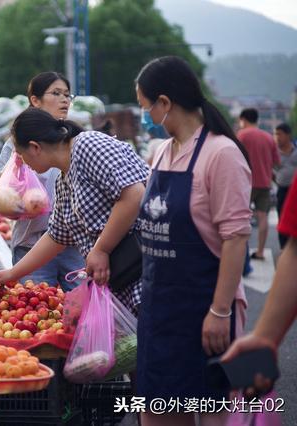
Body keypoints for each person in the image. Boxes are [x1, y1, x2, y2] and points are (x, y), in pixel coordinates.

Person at [135, 56, 251, 426]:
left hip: (206, 311)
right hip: (158, 311)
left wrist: (219, 312)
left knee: (216, 415)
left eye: (146, 108)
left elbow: (236, 239)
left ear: (165, 103)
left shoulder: (223, 154)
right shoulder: (161, 152)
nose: (146, 117)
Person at [0, 107, 149, 316]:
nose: (24, 164)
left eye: (22, 156)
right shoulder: (63, 180)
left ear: (34, 147)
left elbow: (134, 194)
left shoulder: (89, 145)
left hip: (147, 270)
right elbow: (56, 236)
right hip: (123, 278)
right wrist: (13, 273)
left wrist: (101, 249)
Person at [0, 72, 84, 290]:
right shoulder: (17, 144)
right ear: (35, 100)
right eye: (57, 93)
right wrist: (18, 202)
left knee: (82, 309)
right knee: (40, 310)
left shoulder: (78, 142)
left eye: (68, 95)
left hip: (75, 244)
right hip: (32, 244)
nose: (64, 100)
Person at [222, 172, 297, 397]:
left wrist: (266, 337)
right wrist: (265, 337)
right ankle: (262, 249)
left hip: (253, 186)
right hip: (262, 185)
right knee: (262, 217)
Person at [238, 108, 280, 260]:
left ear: (243, 119)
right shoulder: (269, 137)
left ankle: (241, 252)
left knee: (240, 218)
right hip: (265, 183)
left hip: (245, 183)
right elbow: (276, 162)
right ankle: (261, 251)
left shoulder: (241, 135)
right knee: (263, 217)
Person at [273, 123, 297, 249]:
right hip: (282, 189)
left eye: (279, 134)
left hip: (295, 189)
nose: (277, 137)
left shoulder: (296, 150)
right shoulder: (275, 153)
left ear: (288, 135)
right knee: (282, 218)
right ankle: (284, 247)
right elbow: (271, 169)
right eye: (275, 134)